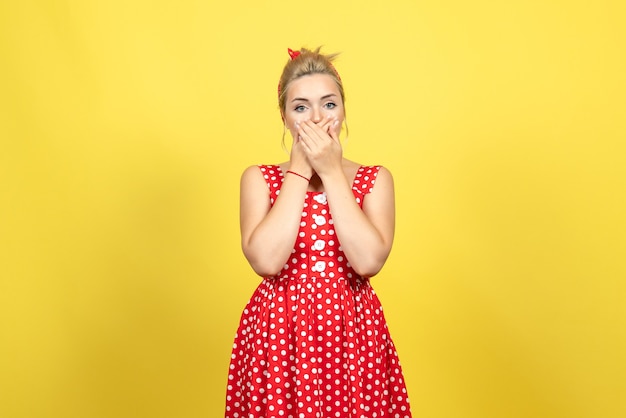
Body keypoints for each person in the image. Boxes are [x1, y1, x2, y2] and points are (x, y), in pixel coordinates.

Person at [225, 47, 412, 418]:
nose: (315, 118)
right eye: (300, 107)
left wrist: (330, 171)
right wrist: (299, 170)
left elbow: (368, 261)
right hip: (278, 335)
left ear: (343, 112)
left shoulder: (375, 179)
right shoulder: (259, 179)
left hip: (352, 333)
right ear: (284, 117)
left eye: (328, 104)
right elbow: (265, 260)